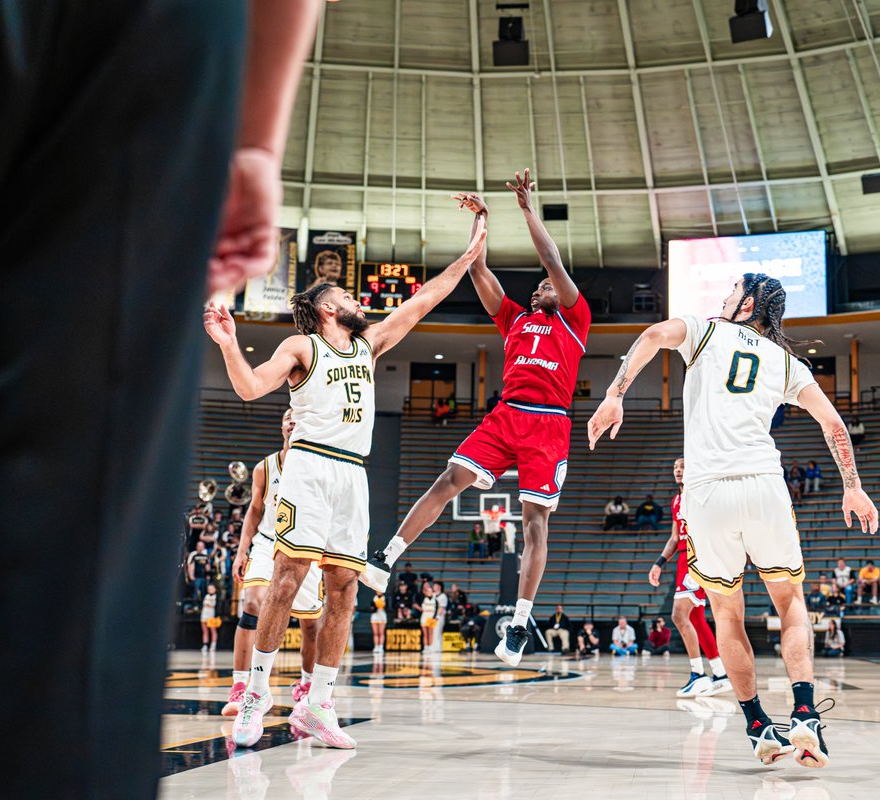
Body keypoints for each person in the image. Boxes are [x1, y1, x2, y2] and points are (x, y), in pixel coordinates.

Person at [0, 1, 331, 795]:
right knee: (86, 544)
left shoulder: (345, 352)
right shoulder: (302, 358)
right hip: (146, 35)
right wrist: (257, 142)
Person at [204, 218, 488, 749]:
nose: (361, 302)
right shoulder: (301, 347)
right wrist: (227, 343)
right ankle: (256, 694)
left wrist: (470, 256)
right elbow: (247, 388)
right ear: (328, 308)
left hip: (352, 474)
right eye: (349, 296)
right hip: (309, 468)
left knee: (345, 592)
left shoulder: (369, 345)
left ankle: (318, 704)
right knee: (286, 581)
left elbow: (423, 300)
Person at [587, 273, 879, 769]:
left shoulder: (706, 330)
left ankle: (758, 725)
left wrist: (615, 393)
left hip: (706, 494)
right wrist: (852, 486)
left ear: (747, 304)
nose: (722, 296)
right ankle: (805, 713)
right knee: (790, 604)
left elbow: (653, 335)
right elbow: (833, 424)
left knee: (727, 613)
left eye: (731, 290)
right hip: (764, 486)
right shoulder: (788, 362)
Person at [364, 175, 591, 669]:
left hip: (549, 425)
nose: (546, 283)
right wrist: (481, 219)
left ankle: (519, 622)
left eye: (551, 282)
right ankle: (386, 558)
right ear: (534, 298)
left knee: (534, 524)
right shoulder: (514, 317)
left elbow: (552, 260)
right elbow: (478, 268)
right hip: (507, 414)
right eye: (541, 285)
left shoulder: (575, 321)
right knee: (449, 480)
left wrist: (526, 209)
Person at [223, 409, 324, 719]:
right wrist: (242, 552)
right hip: (268, 543)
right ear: (282, 426)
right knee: (251, 602)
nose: (292, 422)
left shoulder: (320, 467)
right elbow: (254, 511)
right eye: (288, 418)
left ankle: (307, 686)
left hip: (307, 546)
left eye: (298, 418)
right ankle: (241, 687)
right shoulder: (265, 468)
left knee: (311, 623)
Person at [647, 457, 731, 698]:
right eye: (675, 467)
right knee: (696, 618)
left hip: (697, 558)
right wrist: (659, 563)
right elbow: (675, 537)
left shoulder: (699, 495)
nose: (678, 471)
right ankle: (720, 674)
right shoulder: (676, 500)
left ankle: (698, 674)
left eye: (682, 467)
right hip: (683, 559)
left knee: (678, 614)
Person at [200, 584, 220, 652]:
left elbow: (214, 606)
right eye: (209, 588)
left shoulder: (216, 597)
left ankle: (213, 645)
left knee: (213, 630)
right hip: (204, 615)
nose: (210, 590)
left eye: (212, 588)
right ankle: (205, 645)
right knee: (205, 631)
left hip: (211, 616)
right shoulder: (206, 596)